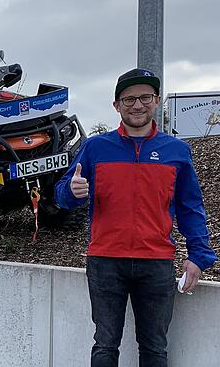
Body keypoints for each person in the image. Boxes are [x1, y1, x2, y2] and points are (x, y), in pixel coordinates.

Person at [55, 68, 217, 366]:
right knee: (105, 345)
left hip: (156, 263)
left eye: (145, 97)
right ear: (116, 105)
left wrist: (198, 255)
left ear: (156, 101)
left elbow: (190, 207)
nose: (137, 105)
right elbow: (61, 195)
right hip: (105, 261)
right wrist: (71, 191)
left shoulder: (177, 151)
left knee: (155, 348)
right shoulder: (95, 148)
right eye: (129, 99)